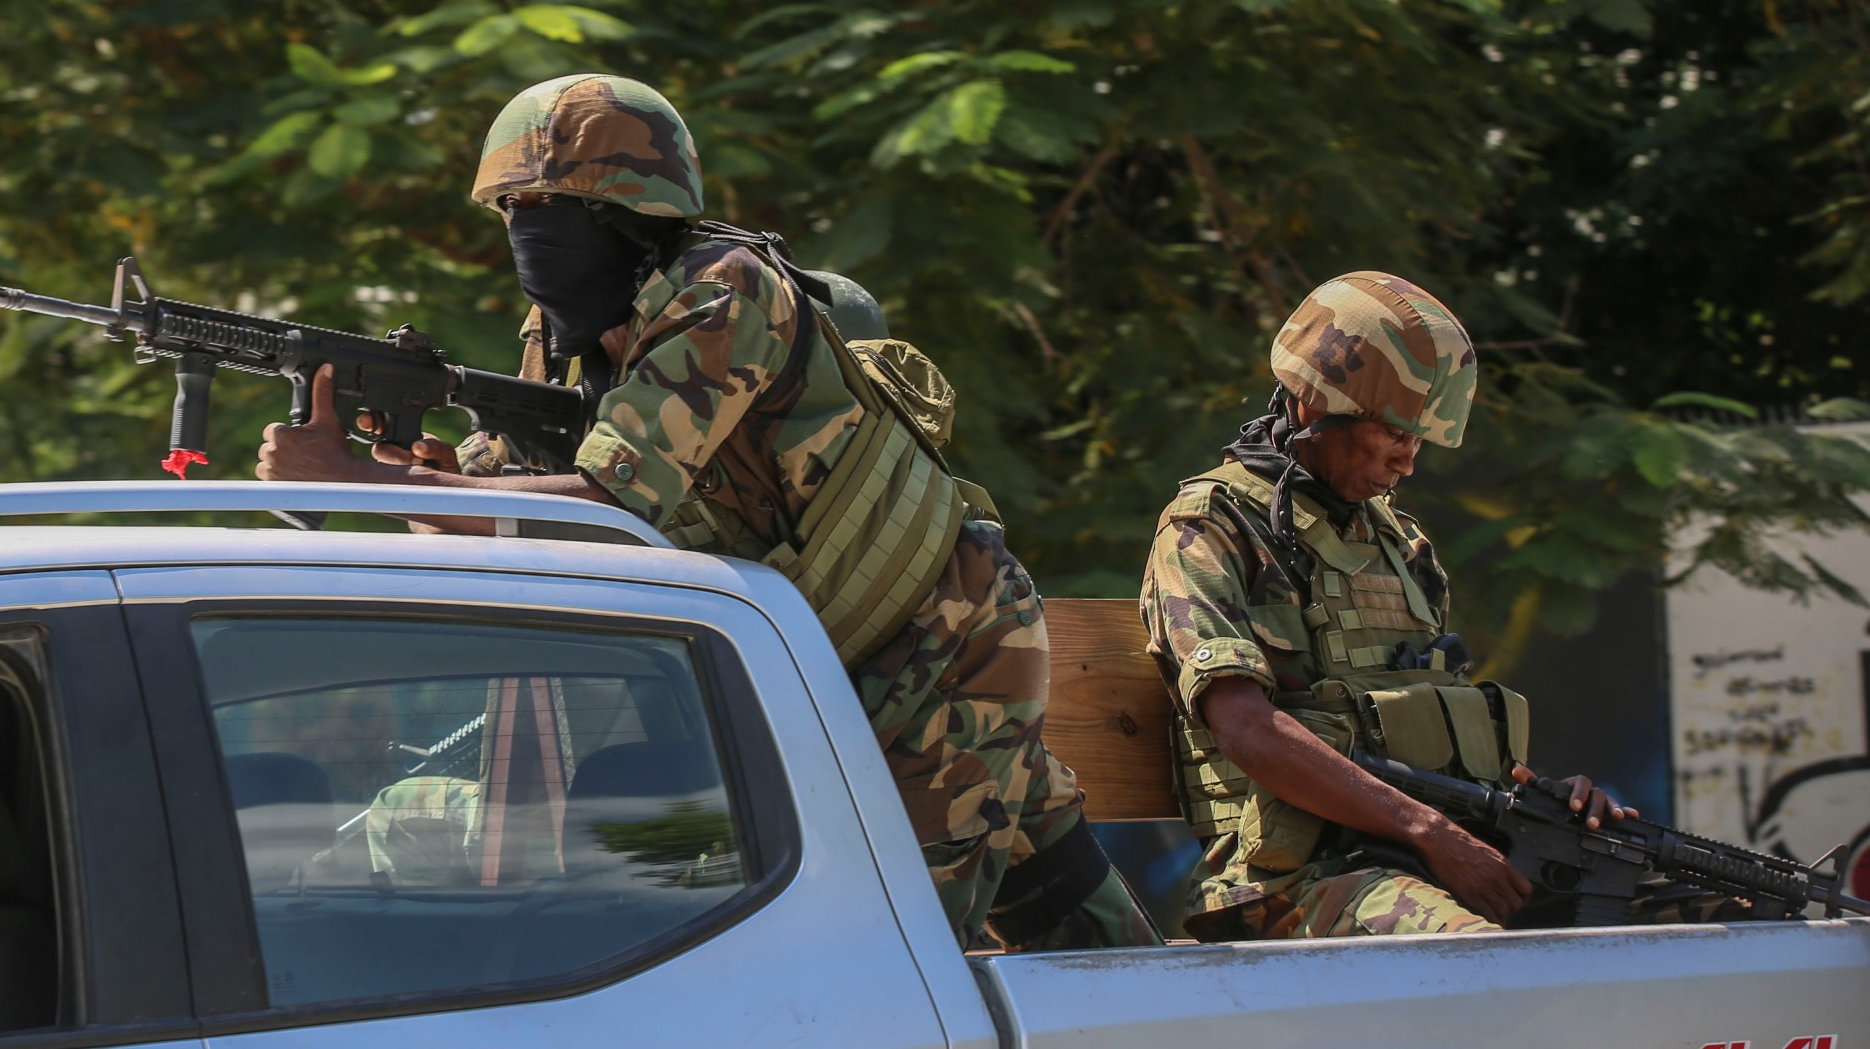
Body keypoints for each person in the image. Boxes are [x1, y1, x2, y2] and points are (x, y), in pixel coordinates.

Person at [255, 71, 1158, 952]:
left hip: (933, 637)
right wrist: (429, 479)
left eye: (550, 209)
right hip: (825, 639)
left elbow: (611, 506)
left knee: (893, 945)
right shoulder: (567, 331)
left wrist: (358, 484)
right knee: (1058, 888)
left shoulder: (723, 289)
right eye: (512, 212)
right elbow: (502, 512)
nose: (526, 233)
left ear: (628, 213)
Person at [1142, 271, 1731, 938]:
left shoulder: (1402, 544)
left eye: (1418, 441)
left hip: (1425, 859)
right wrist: (1431, 833)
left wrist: (1546, 804)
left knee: (1717, 921)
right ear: (1312, 405)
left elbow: (1427, 728)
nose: (1407, 463)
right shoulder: (1211, 526)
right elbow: (1245, 728)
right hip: (1297, 883)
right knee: (1474, 956)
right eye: (1394, 434)